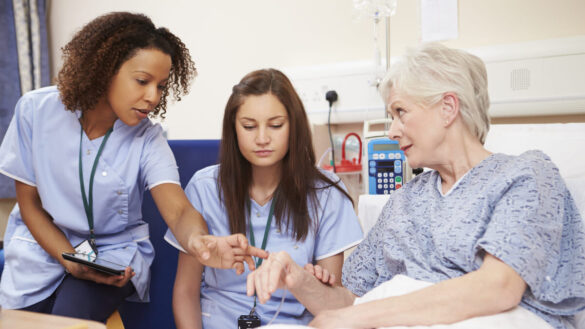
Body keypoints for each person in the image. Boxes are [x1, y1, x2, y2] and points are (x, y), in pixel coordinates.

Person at [246, 43, 585, 329]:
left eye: (400, 112)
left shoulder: (525, 176)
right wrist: (297, 278)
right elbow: (349, 301)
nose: (392, 131)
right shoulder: (405, 201)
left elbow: (498, 289)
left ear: (447, 108)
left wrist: (357, 316)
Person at [0, 12, 266, 323]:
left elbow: (178, 210)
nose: (153, 97)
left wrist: (198, 241)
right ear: (105, 70)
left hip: (111, 258)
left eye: (161, 86)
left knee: (68, 320)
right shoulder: (35, 111)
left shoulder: (147, 139)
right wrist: (69, 260)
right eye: (142, 81)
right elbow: (29, 203)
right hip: (42, 248)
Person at [164, 68, 363, 328]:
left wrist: (308, 282)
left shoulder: (326, 194)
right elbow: (185, 293)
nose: (261, 138)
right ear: (233, 128)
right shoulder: (204, 188)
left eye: (275, 125)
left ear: (295, 126)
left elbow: (331, 309)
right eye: (248, 126)